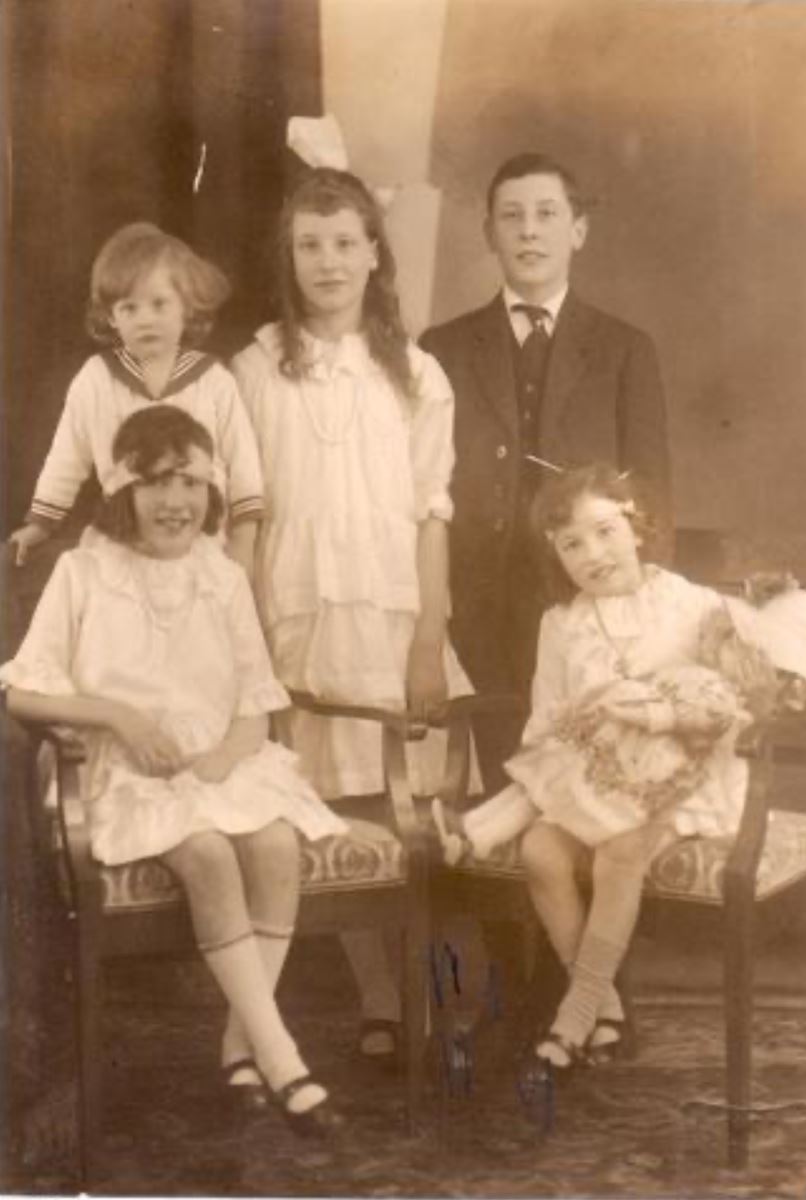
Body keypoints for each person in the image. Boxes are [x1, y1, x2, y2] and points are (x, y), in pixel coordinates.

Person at [0, 406, 347, 1135]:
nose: (175, 500)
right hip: (125, 773)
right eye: (155, 482)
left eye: (190, 480)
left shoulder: (219, 576)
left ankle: (239, 1044)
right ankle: (283, 1056)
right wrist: (121, 717)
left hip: (220, 761)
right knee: (208, 853)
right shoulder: (84, 570)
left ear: (212, 491)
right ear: (123, 490)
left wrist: (223, 759)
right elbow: (23, 688)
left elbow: (258, 699)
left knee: (275, 844)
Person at [433, 463, 806, 1070]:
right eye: (572, 544)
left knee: (621, 845)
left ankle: (577, 1009)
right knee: (541, 849)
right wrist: (578, 740)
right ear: (557, 557)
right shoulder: (561, 625)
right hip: (595, 778)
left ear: (638, 528)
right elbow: (546, 716)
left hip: (683, 778)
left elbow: (750, 683)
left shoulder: (691, 604)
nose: (594, 553)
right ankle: (606, 1003)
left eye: (606, 531)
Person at [231, 167, 475, 1062]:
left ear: (375, 253)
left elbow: (432, 510)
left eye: (344, 242)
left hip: (394, 611)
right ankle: (381, 1002)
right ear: (288, 259)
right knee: (330, 807)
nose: (328, 262)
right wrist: (247, 645)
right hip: (295, 613)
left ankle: (435, 999)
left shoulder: (415, 373)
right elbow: (243, 520)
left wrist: (427, 639)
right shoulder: (252, 370)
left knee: (416, 814)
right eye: (310, 245)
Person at [420, 153, 672, 786]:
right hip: (479, 602)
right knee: (499, 783)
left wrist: (640, 611)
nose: (529, 231)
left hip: (584, 598)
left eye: (546, 214)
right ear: (489, 234)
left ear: (577, 231)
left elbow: (650, 488)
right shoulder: (442, 348)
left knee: (590, 780)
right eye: (512, 216)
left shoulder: (624, 349)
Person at [9, 222, 263, 577]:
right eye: (130, 308)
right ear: (111, 317)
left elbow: (244, 466)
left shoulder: (214, 381)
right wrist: (41, 524)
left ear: (187, 307)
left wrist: (243, 542)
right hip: (123, 544)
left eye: (159, 304)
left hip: (200, 546)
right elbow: (67, 456)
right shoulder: (96, 379)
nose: (146, 320)